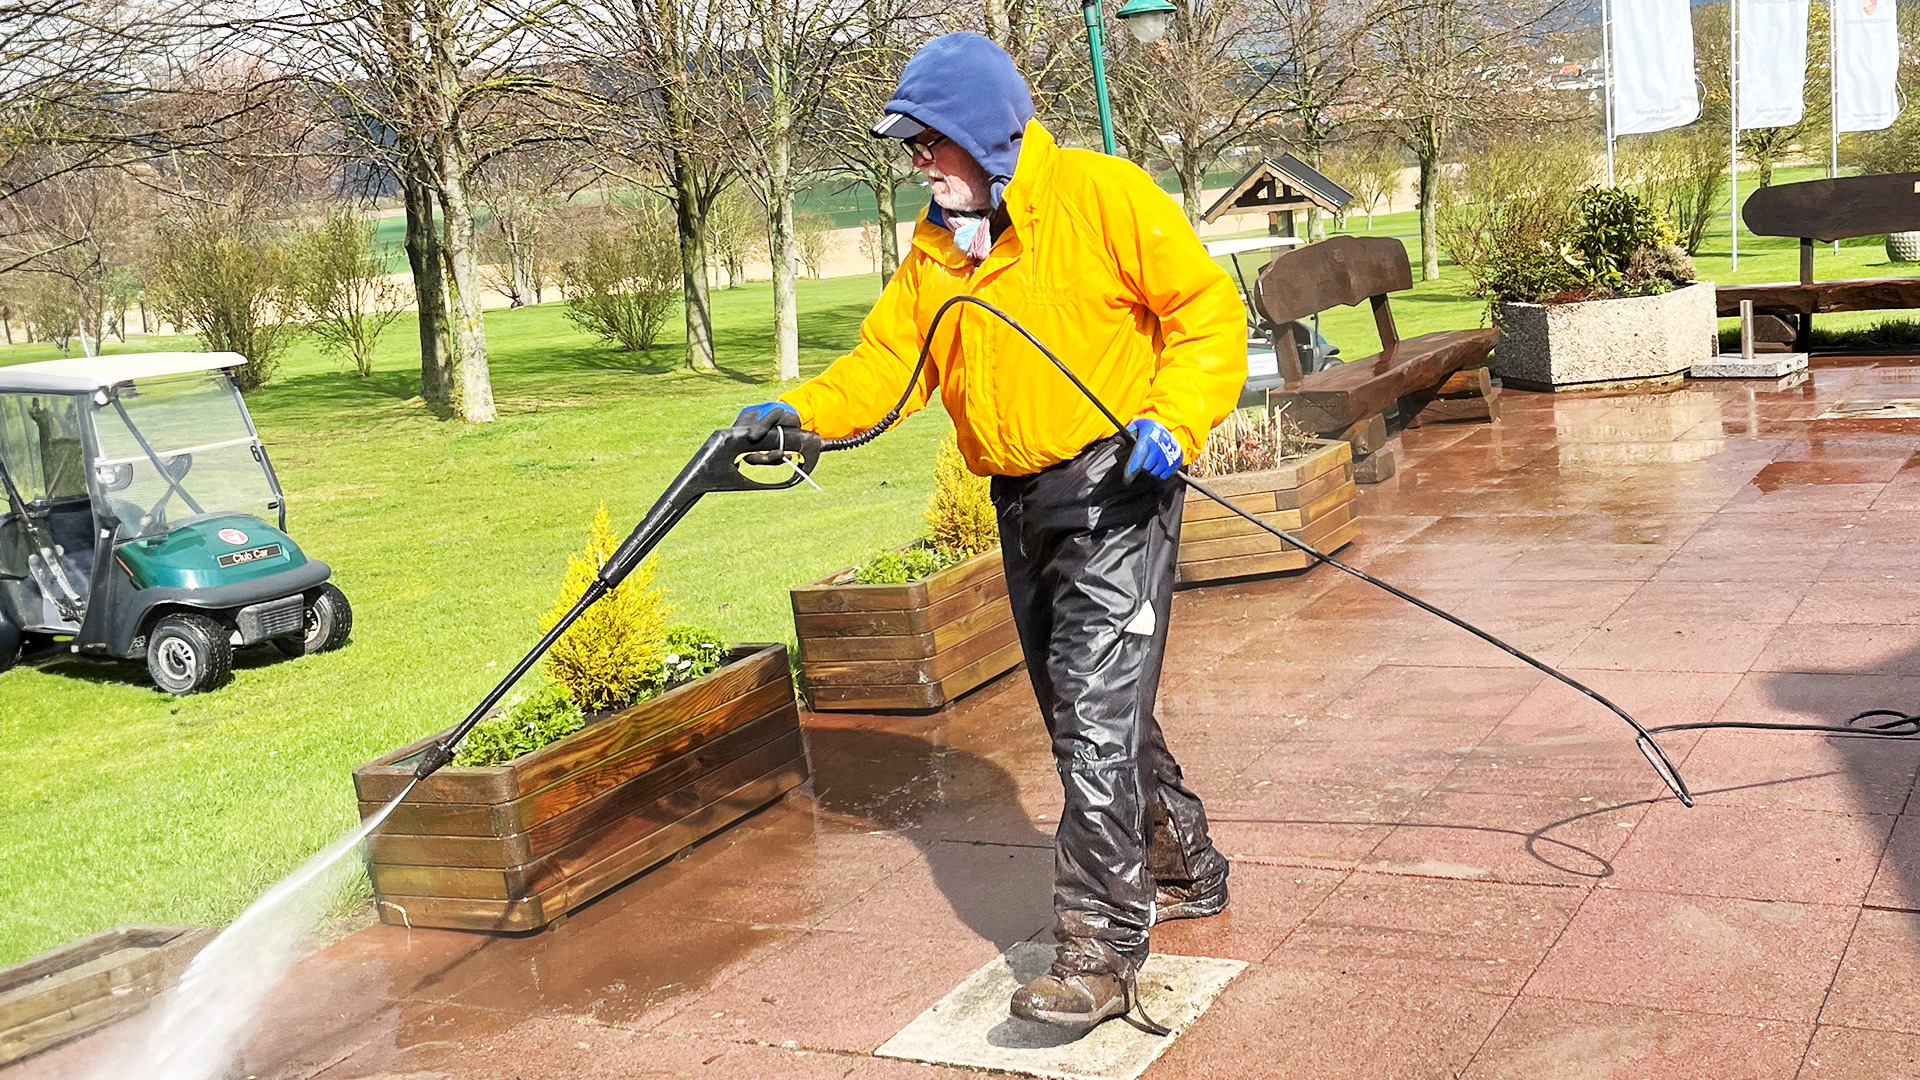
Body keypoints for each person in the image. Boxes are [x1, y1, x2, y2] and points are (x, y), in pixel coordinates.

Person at [733, 31, 1246, 1030]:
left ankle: (1099, 948)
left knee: (1094, 726)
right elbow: (887, 364)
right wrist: (800, 413)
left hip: (1119, 487)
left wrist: (1175, 420)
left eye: (930, 142)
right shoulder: (937, 247)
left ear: (987, 134)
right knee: (1081, 710)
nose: (919, 163)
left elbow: (1206, 319)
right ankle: (1183, 857)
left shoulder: (1106, 200)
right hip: (1021, 501)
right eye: (910, 149)